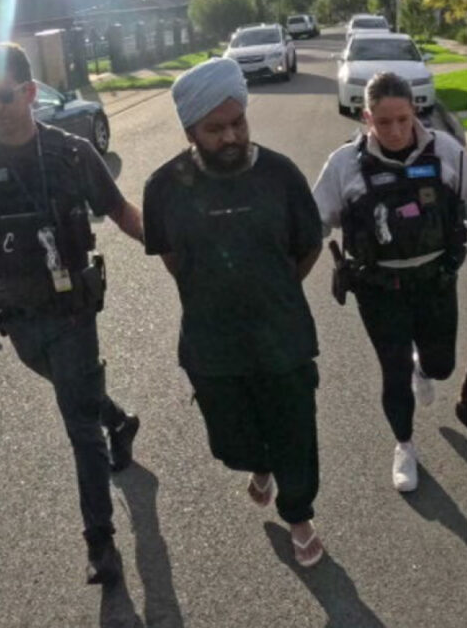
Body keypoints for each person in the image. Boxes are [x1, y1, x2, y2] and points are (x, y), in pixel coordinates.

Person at [0, 43, 142, 584]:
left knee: (77, 425)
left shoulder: (71, 154)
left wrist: (176, 251)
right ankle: (120, 418)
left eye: (5, 95)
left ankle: (101, 544)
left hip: (71, 310)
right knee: (69, 387)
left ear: (30, 92)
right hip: (17, 315)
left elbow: (120, 210)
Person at [142, 58, 325, 567]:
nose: (231, 136)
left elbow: (307, 244)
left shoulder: (280, 174)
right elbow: (171, 257)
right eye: (215, 128)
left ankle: (299, 515)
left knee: (295, 430)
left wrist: (272, 291)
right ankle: (256, 463)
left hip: (282, 334)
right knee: (232, 443)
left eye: (237, 123)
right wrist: (215, 293)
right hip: (211, 343)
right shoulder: (163, 187)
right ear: (190, 131)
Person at [313, 72, 467, 493]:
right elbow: (315, 221)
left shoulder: (448, 154)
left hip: (436, 281)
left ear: (415, 111)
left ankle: (425, 367)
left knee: (441, 365)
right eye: (384, 122)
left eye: (403, 119)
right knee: (393, 371)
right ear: (367, 118)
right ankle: (404, 444)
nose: (396, 130)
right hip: (379, 290)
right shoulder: (345, 165)